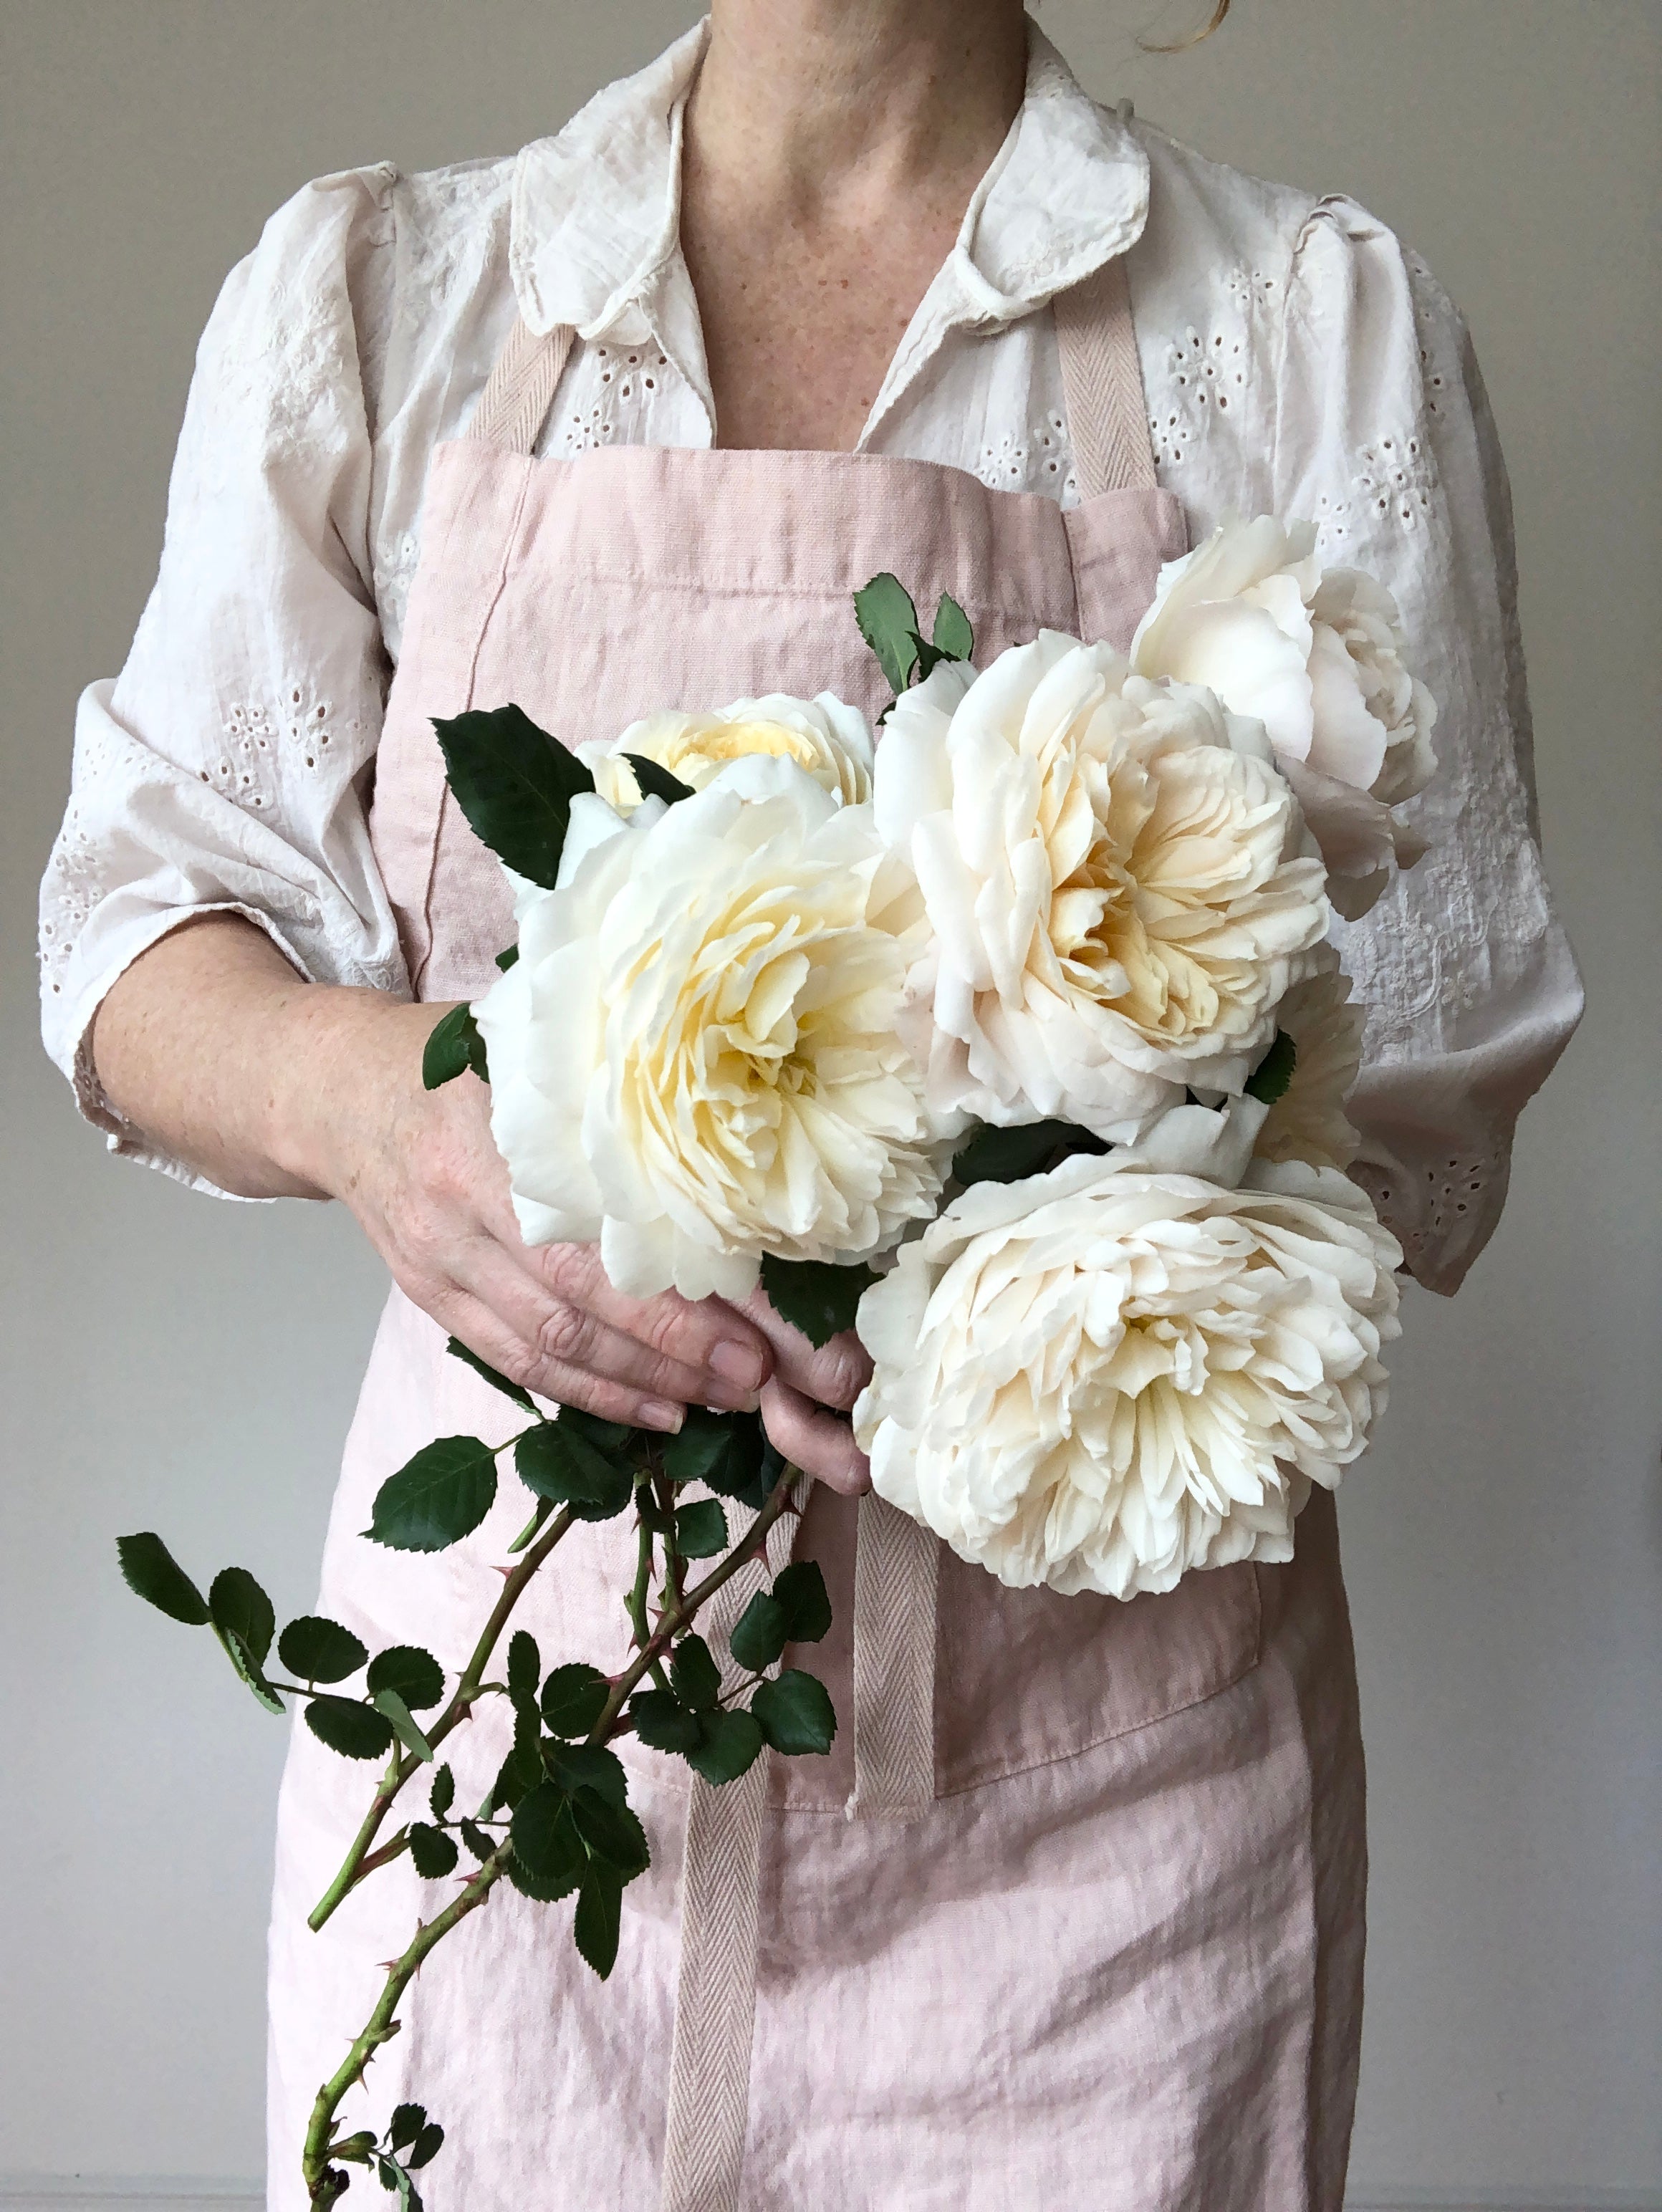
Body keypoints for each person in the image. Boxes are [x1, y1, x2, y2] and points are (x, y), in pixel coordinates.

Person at [37, 3, 1582, 2206]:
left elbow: (1426, 1100)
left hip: (1112, 1843)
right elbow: (127, 940)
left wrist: (1019, 1213)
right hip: (507, 1783)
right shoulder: (388, 294)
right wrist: (384, 1113)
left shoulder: (1302, 330)